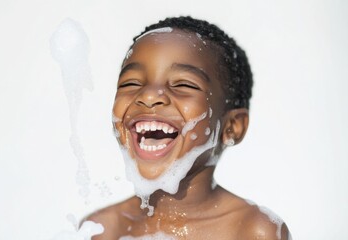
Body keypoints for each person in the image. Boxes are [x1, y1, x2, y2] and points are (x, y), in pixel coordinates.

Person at [85, 16, 291, 240]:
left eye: (184, 84)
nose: (149, 95)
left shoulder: (253, 231)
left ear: (231, 127)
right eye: (131, 83)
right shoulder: (101, 230)